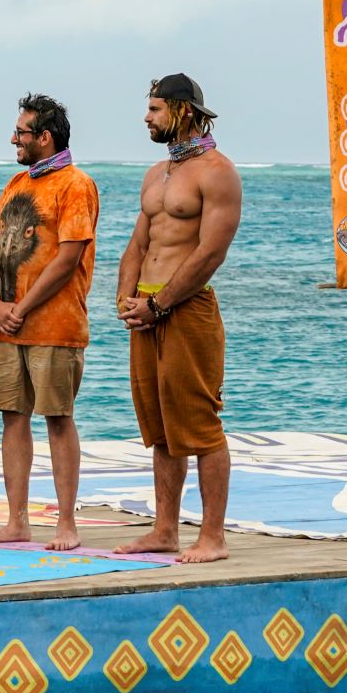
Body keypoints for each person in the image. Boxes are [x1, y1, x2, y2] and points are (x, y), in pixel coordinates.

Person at [116, 74, 242, 564]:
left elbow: (211, 253)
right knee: (162, 429)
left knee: (200, 425)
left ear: (182, 111)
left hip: (186, 309)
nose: (146, 118)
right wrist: (126, 293)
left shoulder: (218, 172)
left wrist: (160, 302)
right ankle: (164, 529)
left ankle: (213, 537)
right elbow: (139, 241)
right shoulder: (157, 174)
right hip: (146, 310)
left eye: (154, 109)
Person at [0, 94, 100, 551]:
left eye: (22, 132)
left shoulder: (75, 185)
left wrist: (23, 306)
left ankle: (66, 522)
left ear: (44, 138)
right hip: (4, 323)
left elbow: (69, 257)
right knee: (12, 417)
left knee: (57, 418)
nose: (15, 139)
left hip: (54, 324)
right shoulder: (16, 183)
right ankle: (16, 520)